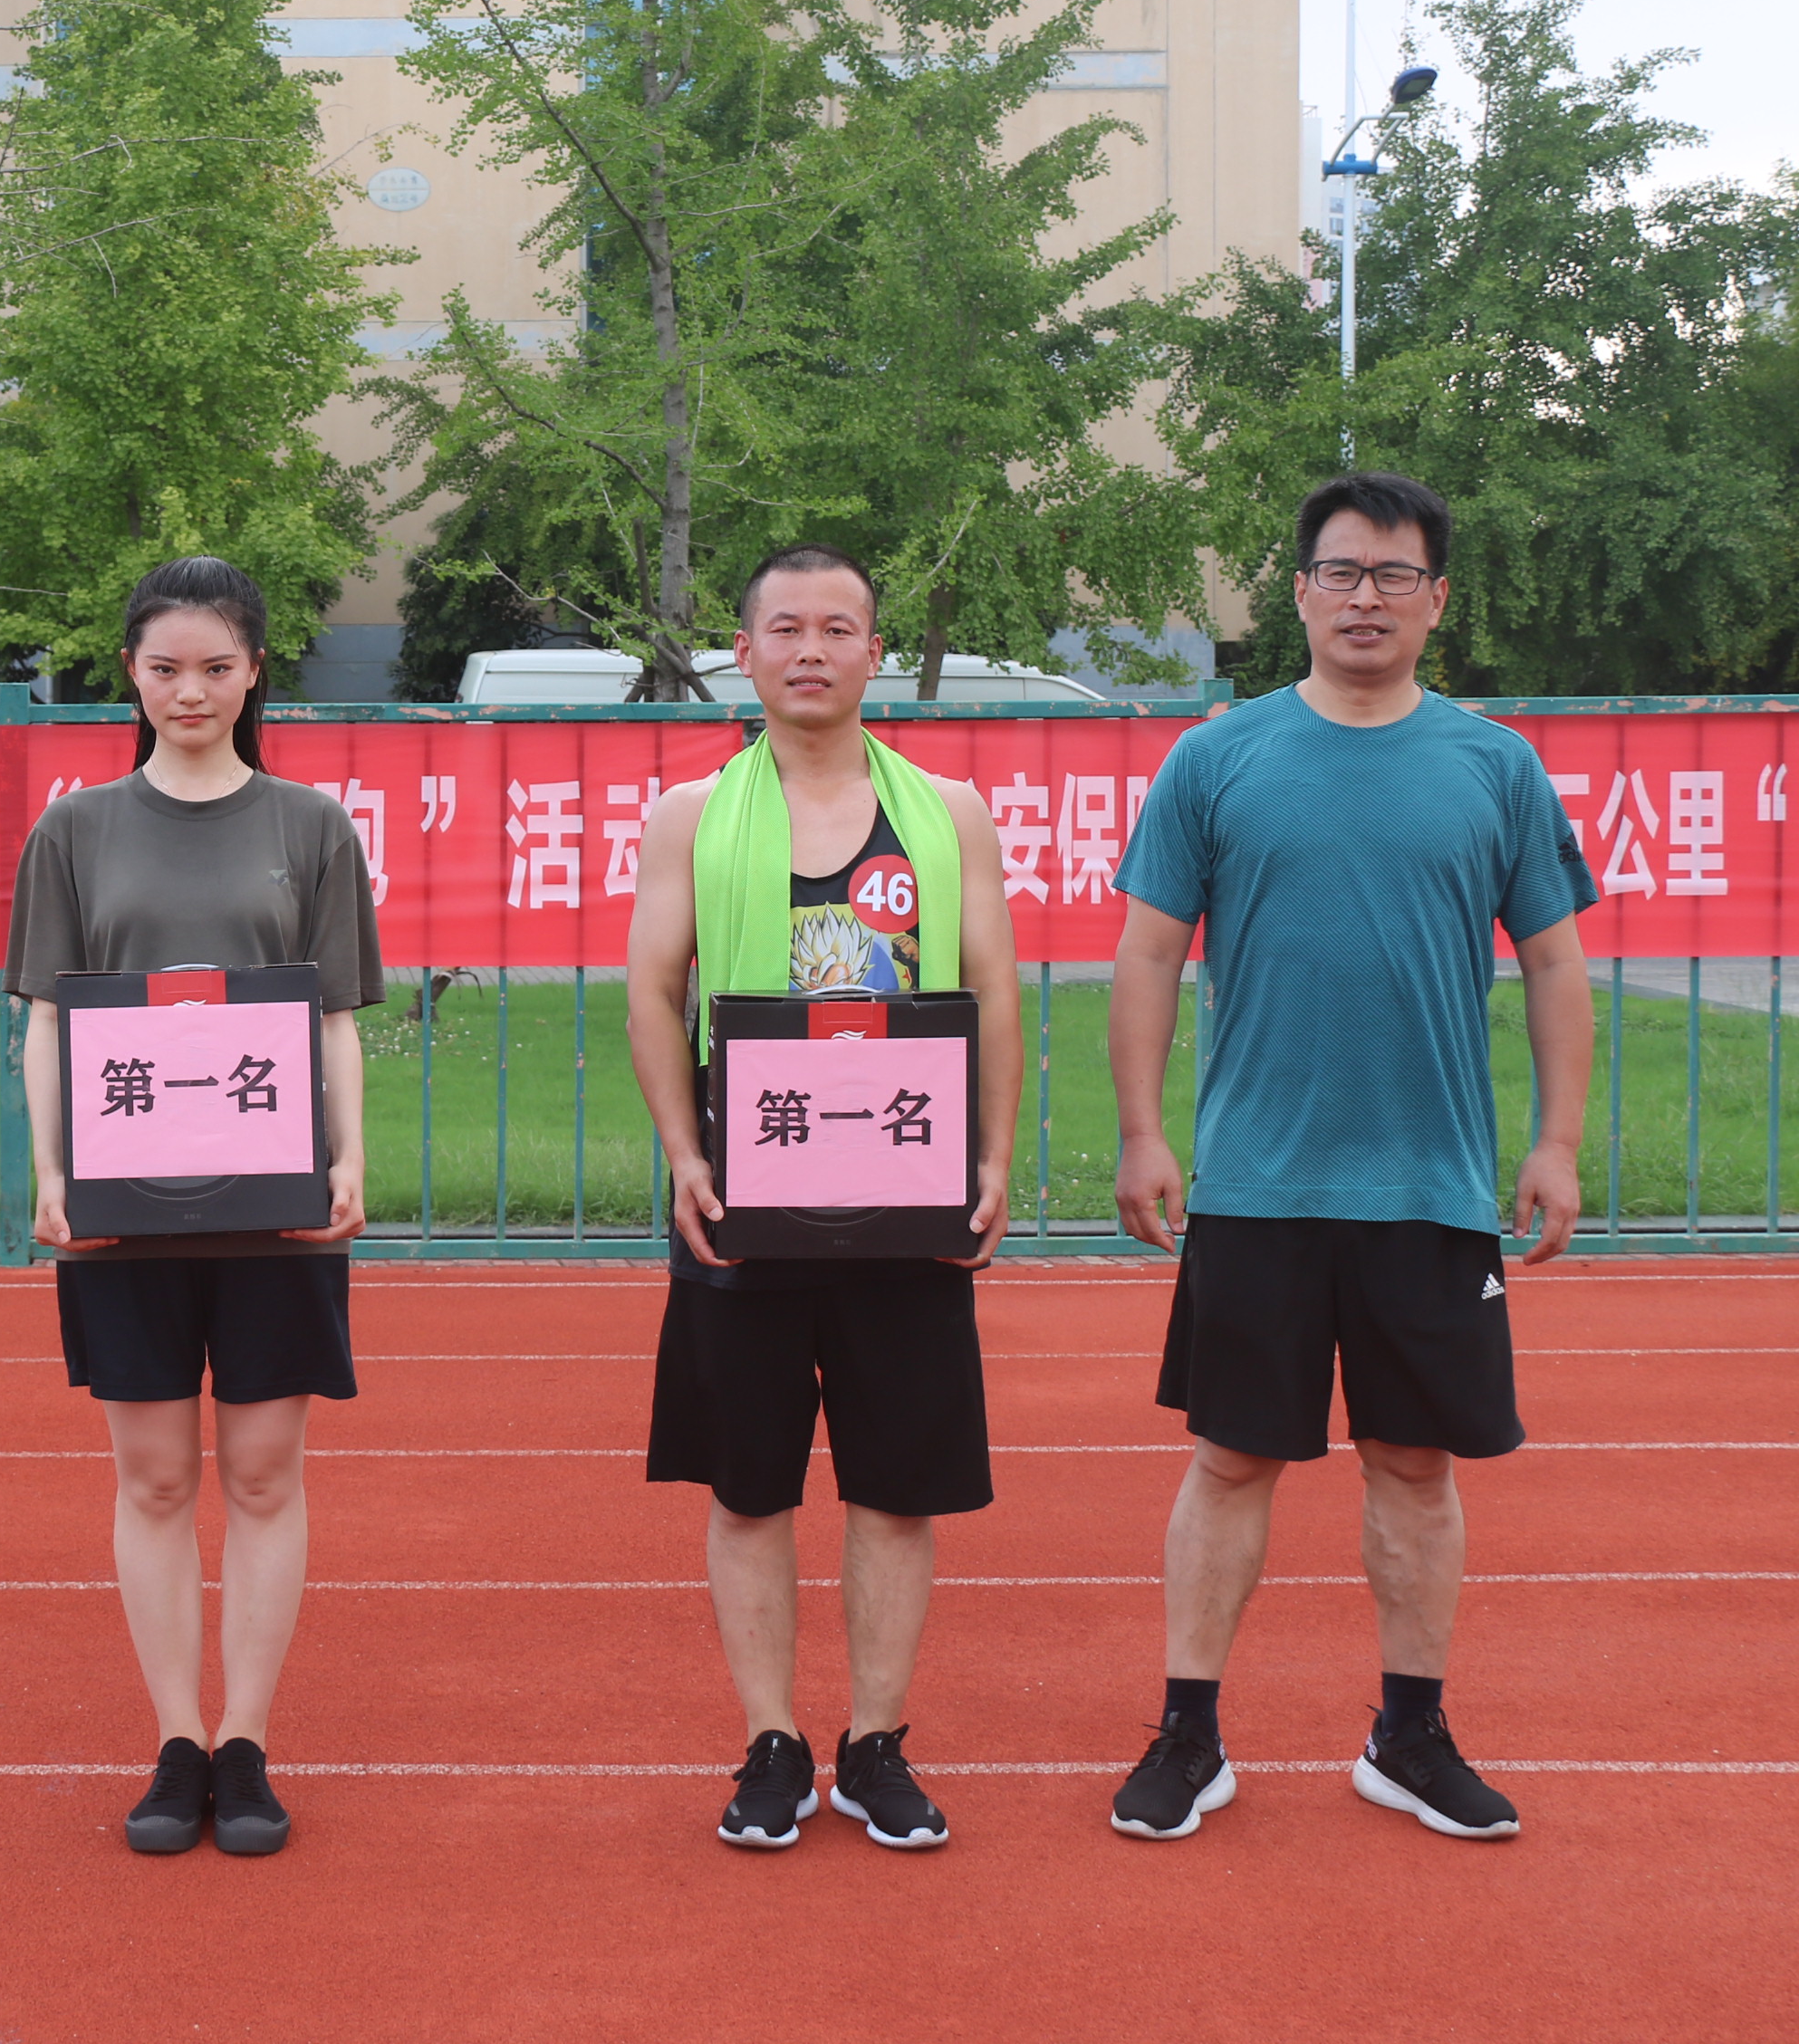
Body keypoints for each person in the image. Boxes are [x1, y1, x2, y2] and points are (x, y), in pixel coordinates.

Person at [1105, 469, 1594, 1844]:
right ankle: (1189, 1736)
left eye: (1393, 574)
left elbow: (1555, 963)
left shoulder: (1494, 765)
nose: (1364, 597)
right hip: (1259, 1183)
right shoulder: (1218, 759)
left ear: (1437, 599)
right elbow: (1148, 952)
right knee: (1230, 1461)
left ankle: (1409, 1735)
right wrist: (1144, 1130)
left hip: (1430, 1187)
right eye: (1340, 571)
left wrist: (1557, 1140)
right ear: (1300, 591)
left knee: (1417, 1467)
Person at [623, 544, 1021, 1852]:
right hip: (747, 1194)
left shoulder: (947, 814)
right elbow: (654, 992)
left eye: (838, 628)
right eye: (785, 628)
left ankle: (877, 1743)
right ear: (744, 653)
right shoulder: (692, 816)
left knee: (898, 1487)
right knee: (749, 1488)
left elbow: (993, 992)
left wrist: (991, 1159)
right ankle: (772, 1743)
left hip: (905, 1195)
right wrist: (683, 1154)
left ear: (873, 652)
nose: (811, 649)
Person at [5, 557, 379, 1857]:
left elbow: (333, 1017)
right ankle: (176, 1740)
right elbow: (49, 1020)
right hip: (128, 1207)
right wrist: (53, 1172)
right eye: (166, 667)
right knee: (156, 1478)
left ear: (255, 672)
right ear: (131, 674)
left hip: (275, 1204)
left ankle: (247, 1743)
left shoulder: (310, 828)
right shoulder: (75, 833)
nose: (191, 691)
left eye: (217, 667)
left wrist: (348, 1157)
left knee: (265, 1475)